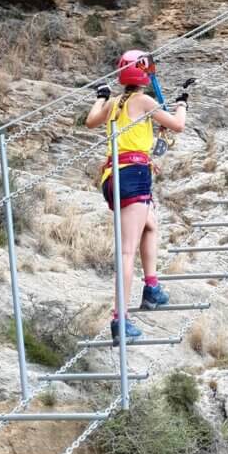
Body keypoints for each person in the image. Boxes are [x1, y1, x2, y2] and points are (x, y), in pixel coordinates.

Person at [85, 49, 188, 343]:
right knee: (127, 251)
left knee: (150, 224)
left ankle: (152, 287)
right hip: (133, 176)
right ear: (144, 73)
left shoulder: (116, 102)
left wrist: (101, 97)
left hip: (113, 175)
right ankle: (120, 319)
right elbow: (177, 125)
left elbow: (91, 121)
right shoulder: (143, 100)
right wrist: (182, 104)